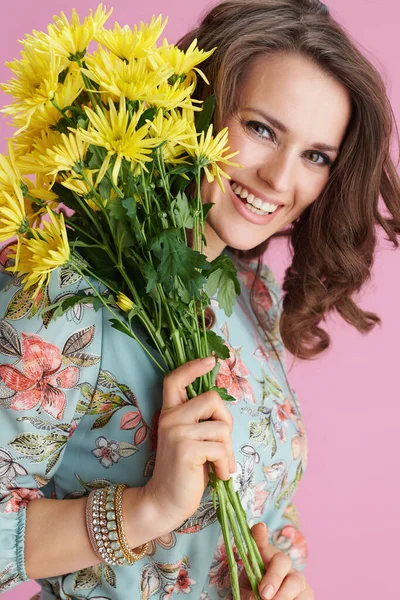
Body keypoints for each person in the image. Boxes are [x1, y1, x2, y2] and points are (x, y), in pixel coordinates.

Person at [0, 1, 399, 599]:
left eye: (316, 157)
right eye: (262, 129)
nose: (280, 180)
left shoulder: (248, 290)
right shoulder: (59, 288)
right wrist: (146, 508)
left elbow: (265, 497)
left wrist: (285, 574)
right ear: (194, 106)